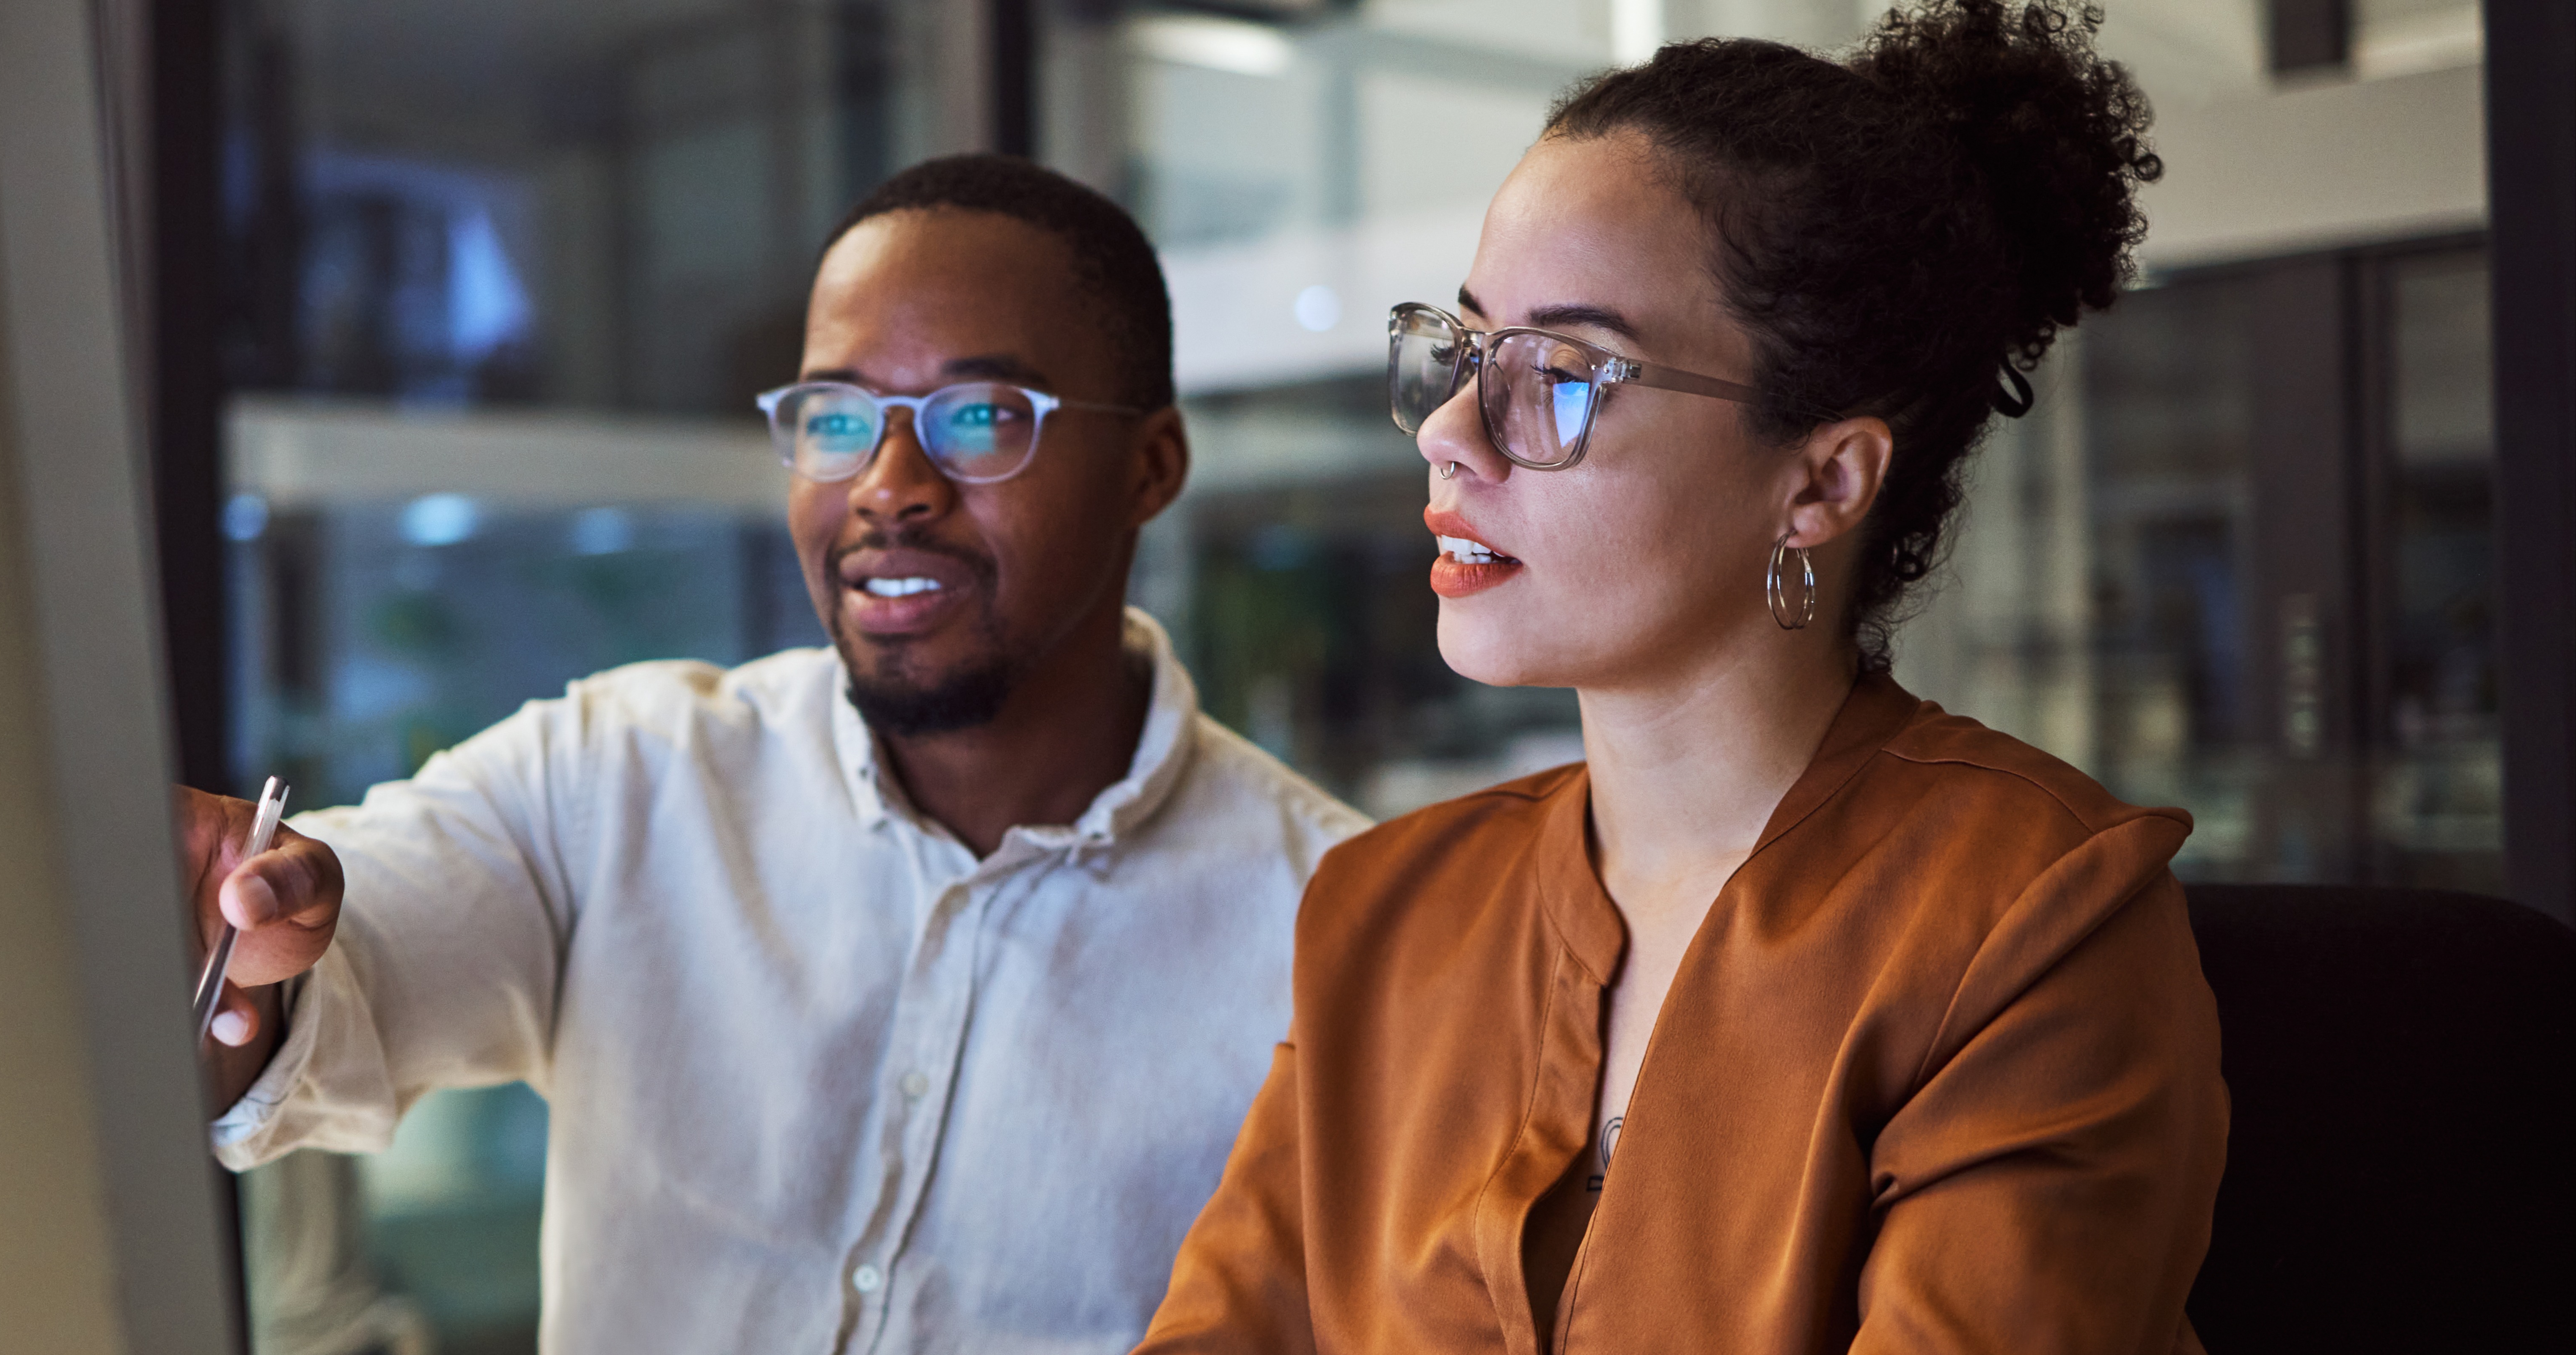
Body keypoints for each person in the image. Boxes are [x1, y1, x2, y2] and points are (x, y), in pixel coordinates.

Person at [1137, 4, 2225, 1352]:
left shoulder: (2031, 922)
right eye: (1465, 349)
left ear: (1822, 480)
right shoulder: (1385, 915)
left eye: (1563, 374)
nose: (1451, 432)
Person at [185, 154, 1369, 1352]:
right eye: (838, 418)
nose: (890, 486)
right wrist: (247, 938)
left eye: (979, 418)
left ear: (1151, 466)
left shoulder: (1341, 932)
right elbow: (355, 963)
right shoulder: (625, 775)